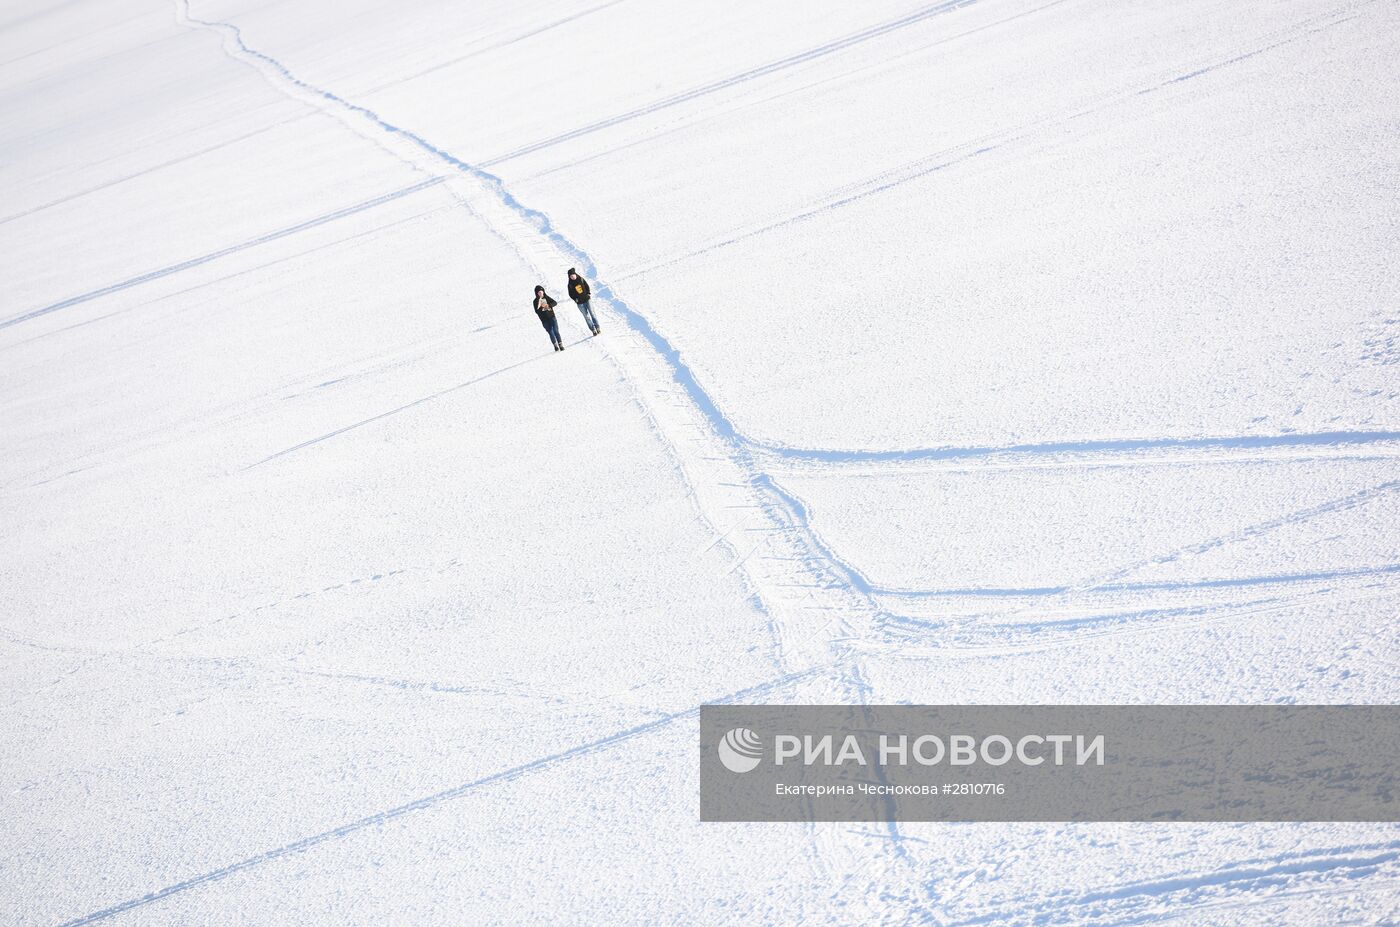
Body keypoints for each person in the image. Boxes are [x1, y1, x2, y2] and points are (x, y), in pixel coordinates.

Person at [566, 268, 600, 335]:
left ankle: (597, 327)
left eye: (573, 275)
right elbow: (570, 294)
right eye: (571, 276)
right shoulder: (570, 284)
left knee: (592, 313)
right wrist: (575, 299)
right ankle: (593, 329)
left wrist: (588, 293)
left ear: (575, 274)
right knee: (586, 316)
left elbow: (586, 286)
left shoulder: (581, 279)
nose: (572, 277)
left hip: (587, 300)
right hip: (580, 303)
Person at [533, 285, 563, 351]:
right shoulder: (535, 301)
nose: (541, 293)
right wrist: (541, 307)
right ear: (536, 293)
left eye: (541, 292)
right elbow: (536, 311)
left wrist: (549, 305)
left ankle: (560, 344)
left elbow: (555, 303)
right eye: (539, 292)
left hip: (552, 317)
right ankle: (555, 345)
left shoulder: (546, 297)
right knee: (550, 332)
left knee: (556, 330)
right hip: (544, 320)